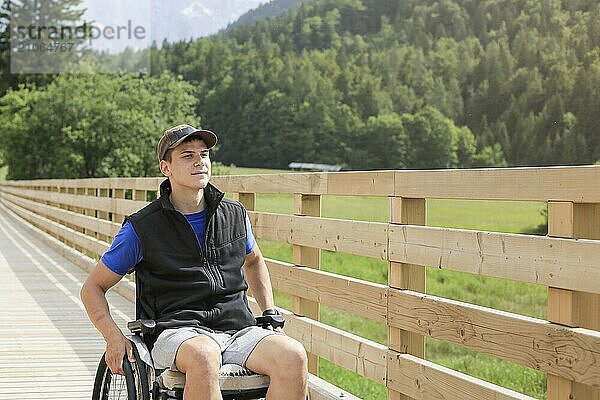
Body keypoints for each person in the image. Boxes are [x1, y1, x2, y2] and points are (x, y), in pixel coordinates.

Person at [81, 124, 308, 400]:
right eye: (187, 156)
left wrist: (269, 310)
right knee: (205, 354)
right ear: (166, 168)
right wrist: (112, 337)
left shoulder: (234, 215)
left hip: (237, 329)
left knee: (293, 356)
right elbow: (92, 288)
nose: (199, 161)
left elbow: (254, 261)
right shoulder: (142, 228)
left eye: (204, 154)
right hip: (176, 331)